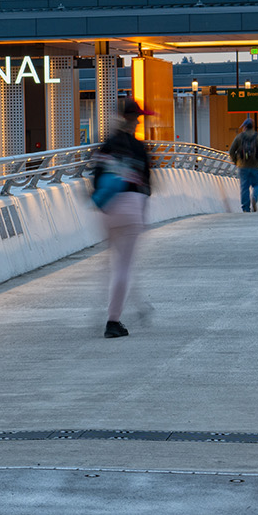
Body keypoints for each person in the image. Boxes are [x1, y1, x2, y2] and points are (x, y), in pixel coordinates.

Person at [92, 98, 152, 337]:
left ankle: (122, 307)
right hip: (132, 207)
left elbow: (95, 179)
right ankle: (113, 321)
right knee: (124, 268)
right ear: (135, 119)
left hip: (108, 208)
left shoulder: (106, 145)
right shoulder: (138, 148)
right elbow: (148, 185)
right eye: (138, 118)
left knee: (113, 264)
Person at [228, 118, 258, 213]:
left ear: (245, 127)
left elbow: (231, 151)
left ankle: (245, 208)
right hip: (256, 166)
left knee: (244, 187)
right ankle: (254, 197)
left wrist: (236, 161)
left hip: (243, 166)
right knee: (257, 185)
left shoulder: (239, 137)